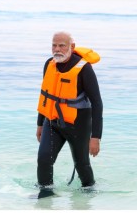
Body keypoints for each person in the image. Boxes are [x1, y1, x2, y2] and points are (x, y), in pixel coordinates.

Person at [35, 31, 103, 192]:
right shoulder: (49, 64)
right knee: (44, 159)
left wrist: (96, 137)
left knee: (82, 165)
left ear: (72, 47)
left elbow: (97, 103)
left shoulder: (84, 69)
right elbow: (46, 95)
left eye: (61, 45)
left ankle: (88, 196)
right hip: (52, 122)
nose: (57, 49)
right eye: (54, 45)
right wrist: (39, 124)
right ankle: (45, 195)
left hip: (78, 125)